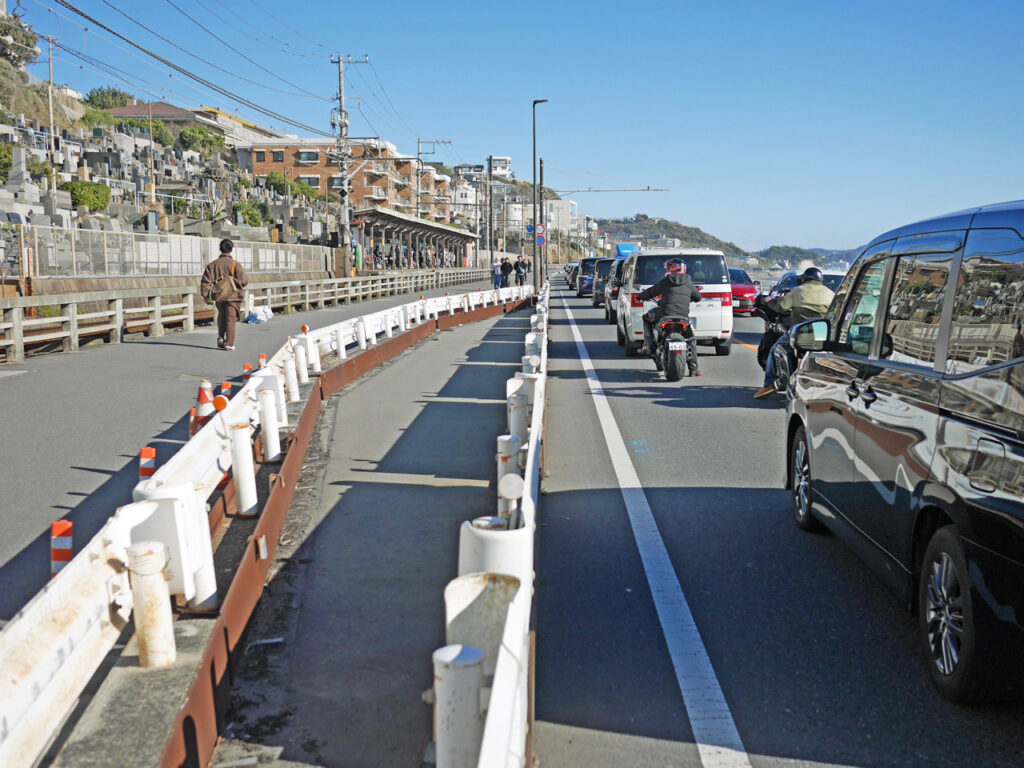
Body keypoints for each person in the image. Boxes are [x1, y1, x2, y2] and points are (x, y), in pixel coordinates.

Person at [754, 266, 835, 398]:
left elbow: (781, 306)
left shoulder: (797, 291)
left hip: (800, 332)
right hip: (822, 333)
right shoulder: (830, 293)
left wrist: (770, 302)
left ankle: (768, 384)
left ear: (804, 279)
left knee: (775, 349)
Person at [638, 258, 703, 376]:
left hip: (665, 315)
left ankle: (649, 346)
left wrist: (640, 296)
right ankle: (693, 369)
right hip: (683, 317)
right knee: (690, 339)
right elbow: (698, 297)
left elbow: (651, 292)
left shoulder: (665, 281)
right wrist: (690, 297)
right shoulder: (689, 282)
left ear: (671, 268)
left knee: (646, 318)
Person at [200, 238, 248, 351]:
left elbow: (206, 281)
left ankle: (221, 338)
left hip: (219, 295)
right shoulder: (235, 264)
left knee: (221, 315)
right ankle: (229, 343)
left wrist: (205, 295)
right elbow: (244, 280)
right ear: (231, 250)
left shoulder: (212, 265)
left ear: (220, 249)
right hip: (233, 296)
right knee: (230, 319)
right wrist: (233, 282)